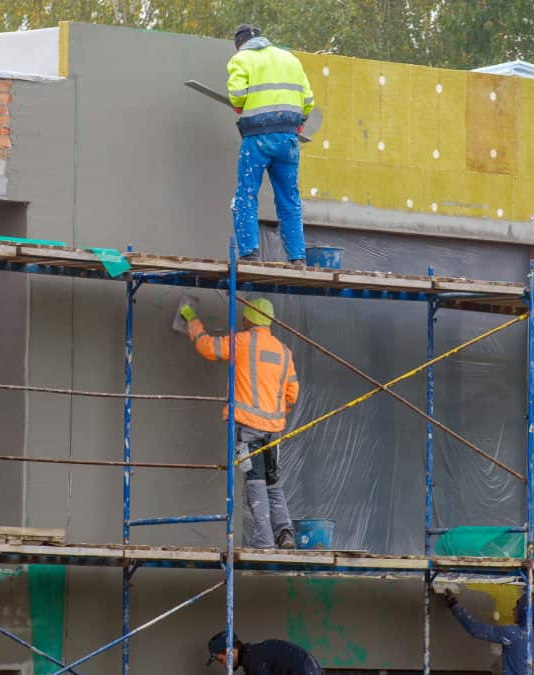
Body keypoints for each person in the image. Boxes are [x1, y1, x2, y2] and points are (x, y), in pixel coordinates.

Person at [180, 296, 299, 549]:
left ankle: (264, 540)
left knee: (255, 482)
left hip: (248, 429)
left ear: (250, 318)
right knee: (272, 481)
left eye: (245, 315)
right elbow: (293, 393)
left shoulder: (243, 342)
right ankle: (285, 533)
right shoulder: (283, 350)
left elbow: (208, 348)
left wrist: (192, 320)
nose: (242, 319)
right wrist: (276, 413)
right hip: (274, 431)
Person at [227, 23, 314, 264]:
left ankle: (250, 253)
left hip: (257, 139)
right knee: (289, 198)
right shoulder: (290, 60)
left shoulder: (241, 59)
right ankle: (297, 257)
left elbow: (237, 97)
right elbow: (308, 100)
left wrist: (244, 106)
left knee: (247, 194)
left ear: (240, 44)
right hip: (288, 139)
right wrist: (298, 122)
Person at [439, 590, 534, 675]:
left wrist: (453, 605)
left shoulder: (513, 634)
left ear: (525, 610)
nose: (513, 610)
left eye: (517, 606)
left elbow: (476, 629)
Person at [206, 630, 323, 674]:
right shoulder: (253, 655)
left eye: (221, 660)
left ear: (230, 652)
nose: (224, 665)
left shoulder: (253, 660)